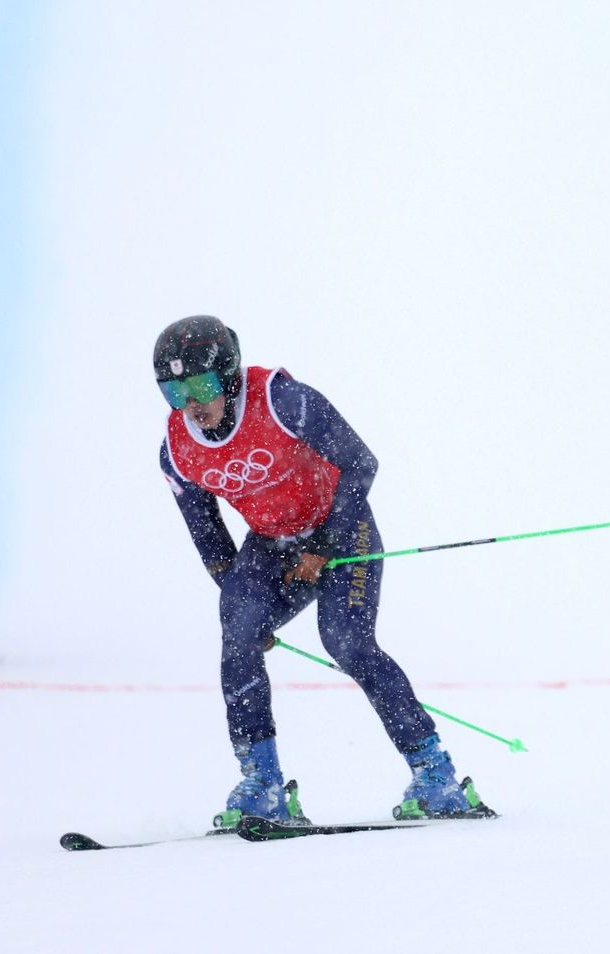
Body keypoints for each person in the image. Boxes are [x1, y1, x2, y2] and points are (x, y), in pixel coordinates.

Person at [154, 315, 496, 826]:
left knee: (346, 642)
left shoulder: (282, 401)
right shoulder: (177, 452)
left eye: (201, 387)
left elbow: (361, 463)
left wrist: (324, 545)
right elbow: (207, 535)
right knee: (237, 634)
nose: (192, 405)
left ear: (227, 376)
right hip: (272, 545)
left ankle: (437, 776)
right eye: (174, 393)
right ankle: (262, 784)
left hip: (340, 525)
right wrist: (243, 610)